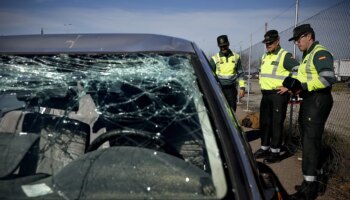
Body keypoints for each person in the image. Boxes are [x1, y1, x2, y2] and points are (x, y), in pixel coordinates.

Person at [283, 24, 336, 200]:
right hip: (310, 99)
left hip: (318, 100)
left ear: (309, 36)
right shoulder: (307, 55)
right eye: (296, 40)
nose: (297, 43)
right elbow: (306, 76)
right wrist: (295, 86)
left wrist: (304, 86)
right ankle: (314, 182)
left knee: (310, 142)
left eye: (299, 39)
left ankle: (309, 189)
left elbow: (328, 78)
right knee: (310, 141)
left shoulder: (320, 52)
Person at [253, 30, 299, 163]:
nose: (268, 45)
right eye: (266, 43)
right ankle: (264, 148)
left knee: (276, 124)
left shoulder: (284, 55)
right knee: (265, 123)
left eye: (270, 42)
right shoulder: (265, 56)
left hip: (278, 95)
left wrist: (289, 87)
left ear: (277, 41)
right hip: (266, 95)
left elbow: (297, 69)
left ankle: (275, 152)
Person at [209, 35, 245, 111]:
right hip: (219, 89)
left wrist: (242, 88)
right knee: (220, 111)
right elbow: (209, 74)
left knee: (232, 111)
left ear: (228, 44)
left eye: (224, 46)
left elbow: (240, 73)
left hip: (232, 90)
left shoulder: (236, 57)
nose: (223, 48)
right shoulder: (215, 58)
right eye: (220, 46)